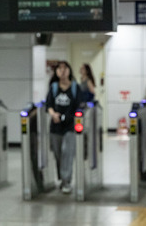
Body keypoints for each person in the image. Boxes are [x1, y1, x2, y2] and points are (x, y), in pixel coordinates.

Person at [46, 61, 84, 194]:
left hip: (70, 126)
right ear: (56, 72)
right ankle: (62, 179)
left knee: (67, 152)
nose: (62, 71)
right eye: (59, 69)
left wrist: (72, 117)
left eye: (65, 68)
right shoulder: (54, 87)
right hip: (55, 127)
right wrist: (53, 114)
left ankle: (66, 180)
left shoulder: (75, 87)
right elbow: (48, 104)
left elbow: (79, 106)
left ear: (69, 71)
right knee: (58, 154)